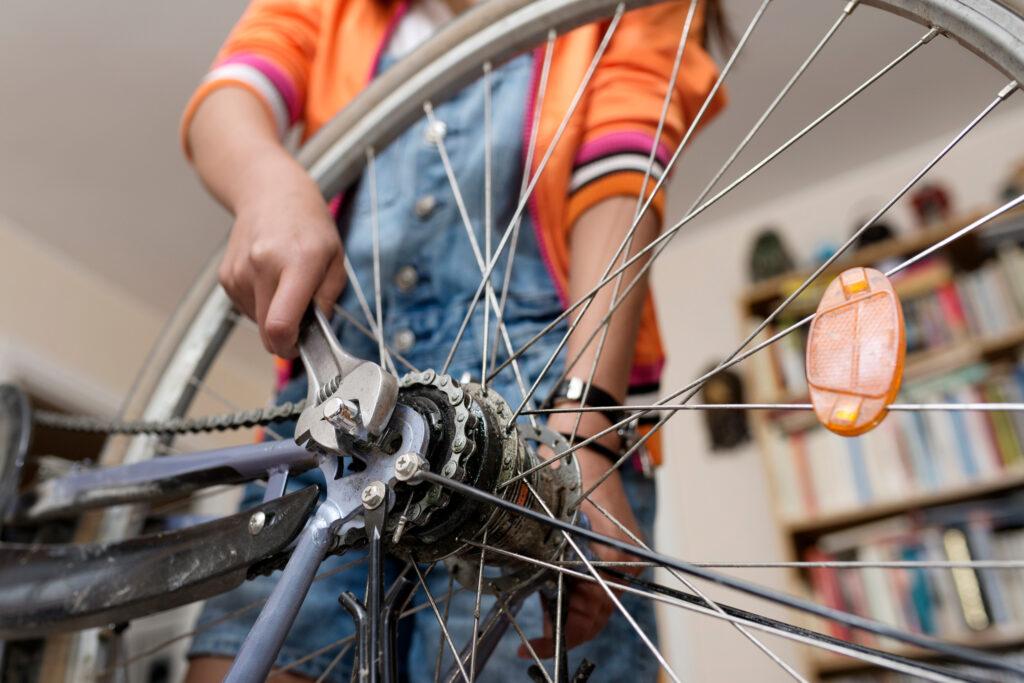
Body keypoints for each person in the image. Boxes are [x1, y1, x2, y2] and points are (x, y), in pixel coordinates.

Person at [180, 0, 725, 679]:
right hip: (337, 414)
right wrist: (268, 181)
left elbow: (622, 169)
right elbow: (230, 94)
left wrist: (586, 423)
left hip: (540, 401)